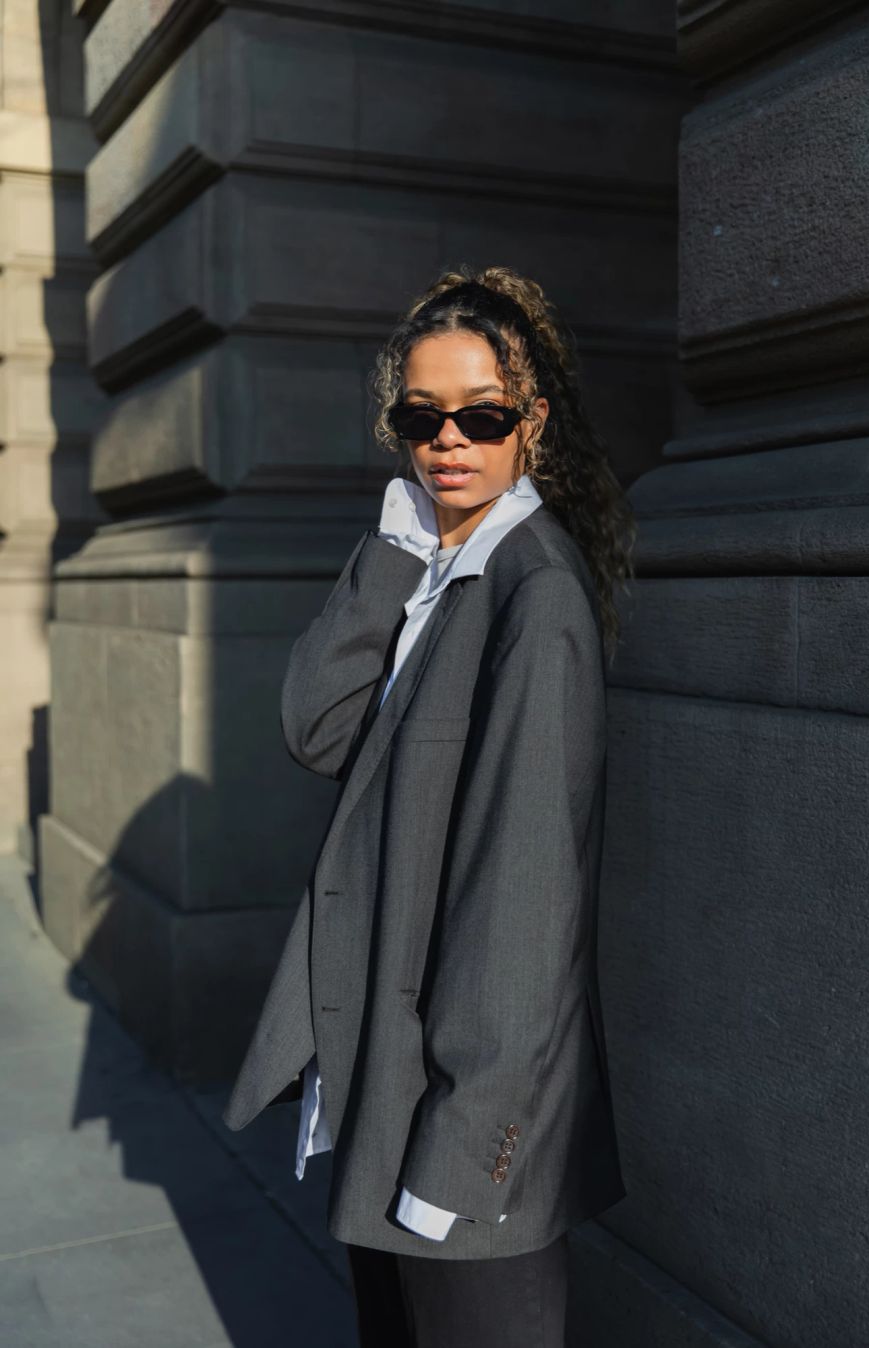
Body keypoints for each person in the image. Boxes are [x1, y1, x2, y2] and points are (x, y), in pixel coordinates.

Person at [222, 265, 637, 1347]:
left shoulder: (533, 599)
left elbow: (525, 902)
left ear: (530, 422)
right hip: (388, 1088)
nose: (451, 439)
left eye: (483, 414)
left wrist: (465, 1152)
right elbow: (316, 725)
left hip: (460, 1130)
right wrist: (397, 549)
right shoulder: (438, 561)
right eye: (422, 415)